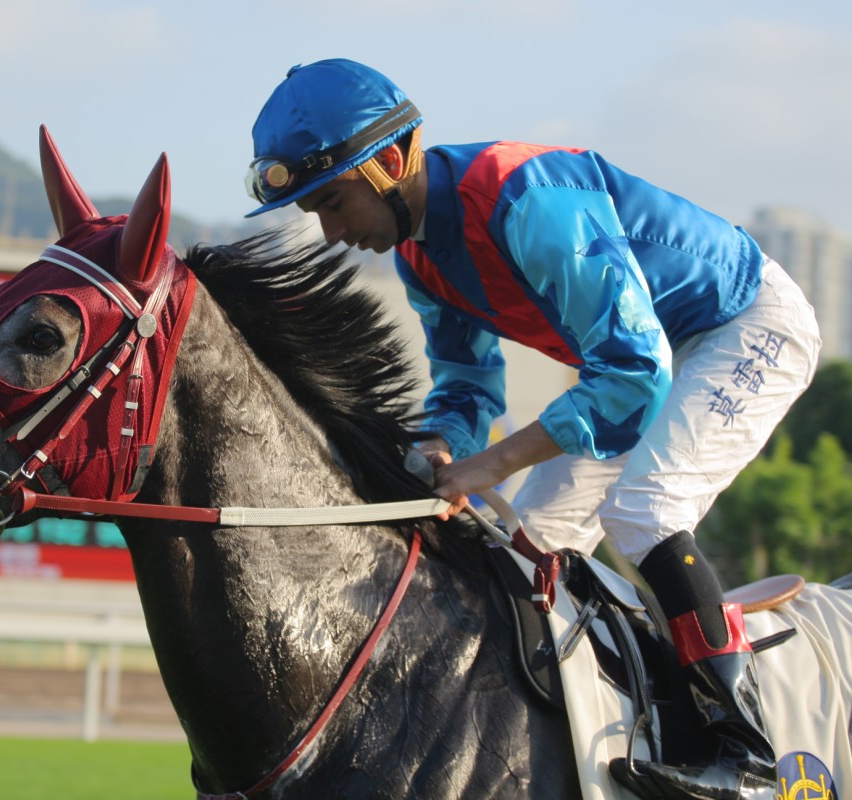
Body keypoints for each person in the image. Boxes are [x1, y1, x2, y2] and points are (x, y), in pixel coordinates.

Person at [243, 58, 821, 800]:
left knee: (646, 508)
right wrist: (436, 450)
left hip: (743, 325)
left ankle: (745, 755)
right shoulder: (422, 256)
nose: (331, 232)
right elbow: (465, 387)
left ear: (390, 161)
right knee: (531, 548)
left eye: (333, 203)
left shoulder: (526, 200)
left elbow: (636, 376)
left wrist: (492, 467)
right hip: (641, 362)